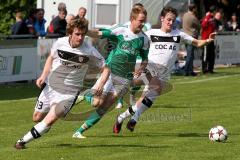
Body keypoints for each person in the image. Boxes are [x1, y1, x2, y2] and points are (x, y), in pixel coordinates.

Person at [113, 6, 216, 134]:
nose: (170, 23)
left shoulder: (178, 34)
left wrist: (208, 40)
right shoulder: (151, 33)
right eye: (168, 20)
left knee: (145, 101)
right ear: (162, 19)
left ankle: (124, 118)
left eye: (173, 20)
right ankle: (117, 89)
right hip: (149, 69)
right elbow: (134, 41)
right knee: (147, 89)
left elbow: (197, 43)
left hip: (164, 75)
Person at [14, 18, 110, 149]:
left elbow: (106, 68)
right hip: (51, 86)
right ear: (70, 33)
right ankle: (44, 127)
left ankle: (22, 141)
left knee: (52, 117)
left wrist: (101, 84)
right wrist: (43, 75)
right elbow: (50, 58)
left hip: (70, 92)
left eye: (83, 34)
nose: (80, 37)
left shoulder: (89, 50)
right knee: (37, 117)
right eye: (77, 34)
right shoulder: (60, 43)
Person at [72, 6, 150, 139]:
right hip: (110, 72)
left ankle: (78, 132)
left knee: (105, 107)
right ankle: (85, 95)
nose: (142, 24)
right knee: (96, 103)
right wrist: (85, 31)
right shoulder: (120, 29)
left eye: (144, 21)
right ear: (132, 19)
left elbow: (145, 58)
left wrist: (141, 68)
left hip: (125, 78)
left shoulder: (144, 39)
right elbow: (99, 34)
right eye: (140, 21)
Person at [182, 4, 200, 76]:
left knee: (190, 54)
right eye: (195, 8)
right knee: (190, 55)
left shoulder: (185, 15)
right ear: (193, 9)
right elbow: (199, 26)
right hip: (191, 37)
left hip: (185, 37)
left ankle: (190, 70)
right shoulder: (193, 17)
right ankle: (187, 71)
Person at [201, 6, 216, 74]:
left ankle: (210, 69)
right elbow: (203, 25)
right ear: (213, 11)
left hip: (211, 39)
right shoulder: (207, 17)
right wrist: (207, 19)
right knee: (205, 55)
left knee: (211, 55)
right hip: (206, 40)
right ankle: (204, 70)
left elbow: (212, 28)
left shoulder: (212, 19)